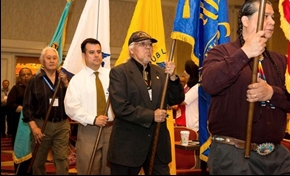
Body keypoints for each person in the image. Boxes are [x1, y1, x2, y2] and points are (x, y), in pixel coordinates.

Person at [201, 0, 290, 175]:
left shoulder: (279, 61)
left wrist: (271, 93)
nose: (272, 22)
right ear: (245, 20)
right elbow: (209, 84)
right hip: (234, 156)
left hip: (277, 157)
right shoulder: (221, 53)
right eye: (265, 16)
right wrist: (245, 53)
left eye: (273, 17)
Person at [107, 31, 185, 175]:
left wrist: (173, 78)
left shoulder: (160, 73)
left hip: (157, 145)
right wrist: (151, 115)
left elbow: (176, 99)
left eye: (150, 45)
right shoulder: (120, 72)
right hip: (128, 146)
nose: (148, 48)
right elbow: (120, 107)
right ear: (131, 49)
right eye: (142, 44)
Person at [64, 38, 114, 175]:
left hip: (112, 130)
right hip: (89, 130)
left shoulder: (112, 75)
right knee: (88, 169)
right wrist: (93, 119)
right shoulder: (77, 80)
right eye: (92, 52)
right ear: (83, 56)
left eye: (98, 52)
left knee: (110, 170)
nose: (96, 55)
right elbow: (71, 107)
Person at [22, 46, 70, 175]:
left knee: (62, 159)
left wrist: (66, 83)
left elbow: (73, 99)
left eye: (54, 58)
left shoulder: (63, 79)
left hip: (62, 125)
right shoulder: (34, 81)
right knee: (38, 160)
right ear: (42, 61)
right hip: (41, 125)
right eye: (48, 58)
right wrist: (34, 127)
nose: (52, 60)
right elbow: (27, 106)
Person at [7, 67, 33, 175]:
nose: (26, 76)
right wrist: (24, 110)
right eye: (23, 75)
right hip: (19, 125)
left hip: (34, 124)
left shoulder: (35, 88)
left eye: (28, 74)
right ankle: (20, 171)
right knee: (20, 149)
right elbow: (10, 104)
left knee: (33, 149)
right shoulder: (16, 88)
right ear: (20, 77)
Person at [174, 60, 199, 132]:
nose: (184, 72)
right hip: (181, 122)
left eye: (186, 70)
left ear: (191, 72)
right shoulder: (187, 86)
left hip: (192, 126)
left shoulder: (197, 88)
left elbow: (182, 101)